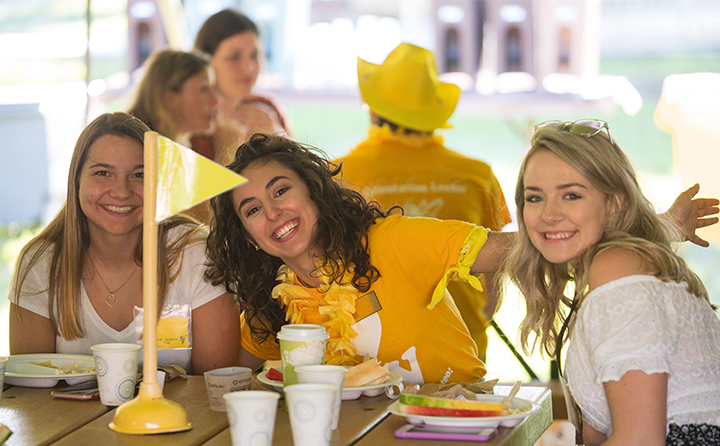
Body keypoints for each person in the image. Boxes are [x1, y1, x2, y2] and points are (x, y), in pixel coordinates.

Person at [205, 133, 519, 384]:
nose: (273, 213)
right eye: (253, 210)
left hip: (461, 424)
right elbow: (234, 381)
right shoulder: (271, 301)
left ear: (313, 190)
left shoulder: (391, 240)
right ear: (248, 235)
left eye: (281, 191)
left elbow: (510, 249)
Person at [504, 119, 720, 445]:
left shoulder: (615, 269)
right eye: (535, 198)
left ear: (615, 203)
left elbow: (641, 440)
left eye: (571, 195)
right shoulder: (617, 269)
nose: (549, 214)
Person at [8, 112, 242, 375]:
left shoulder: (197, 253)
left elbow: (215, 385)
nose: (121, 191)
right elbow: (31, 392)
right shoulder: (41, 264)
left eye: (139, 175)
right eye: (103, 173)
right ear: (76, 182)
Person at [337, 42, 511, 360]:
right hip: (461, 349)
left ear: (373, 109)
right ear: (435, 113)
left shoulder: (337, 175)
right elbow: (496, 266)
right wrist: (482, 314)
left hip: (369, 348)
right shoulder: (478, 174)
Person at [193, 8, 290, 164]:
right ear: (206, 61)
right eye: (234, 57)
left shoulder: (268, 107)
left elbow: (306, 181)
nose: (248, 68)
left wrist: (279, 139)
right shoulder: (189, 118)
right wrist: (226, 149)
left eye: (254, 55)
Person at [127, 48, 224, 149]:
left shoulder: (175, 148)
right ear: (170, 98)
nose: (216, 101)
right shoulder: (133, 149)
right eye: (204, 89)